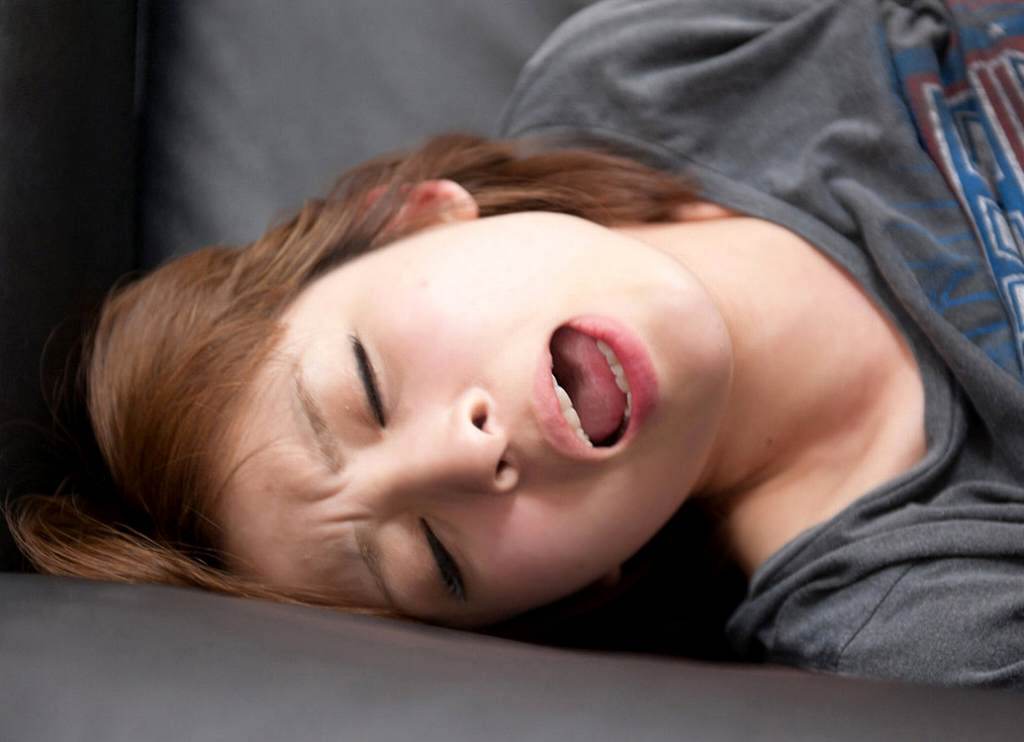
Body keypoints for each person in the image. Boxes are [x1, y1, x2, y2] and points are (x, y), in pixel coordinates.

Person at [9, 0, 1024, 688]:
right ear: (583, 585)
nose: (464, 455)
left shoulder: (642, 71)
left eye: (368, 389)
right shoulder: (915, 620)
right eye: (438, 558)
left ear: (415, 218)